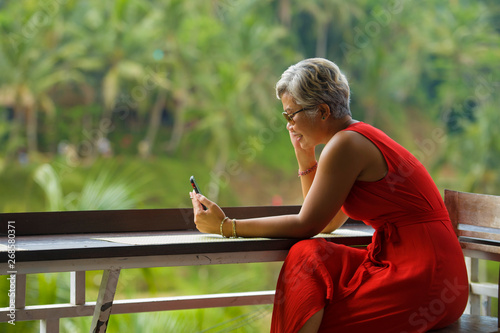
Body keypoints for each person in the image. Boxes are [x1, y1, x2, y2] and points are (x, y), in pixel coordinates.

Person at [190, 58, 468, 333]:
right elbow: (327, 223)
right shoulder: (354, 138)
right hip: (420, 266)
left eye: (291, 114)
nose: (288, 124)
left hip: (425, 274)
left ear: (322, 111)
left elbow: (307, 224)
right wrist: (305, 156)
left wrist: (226, 226)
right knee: (308, 254)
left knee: (319, 316)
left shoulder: (346, 144)